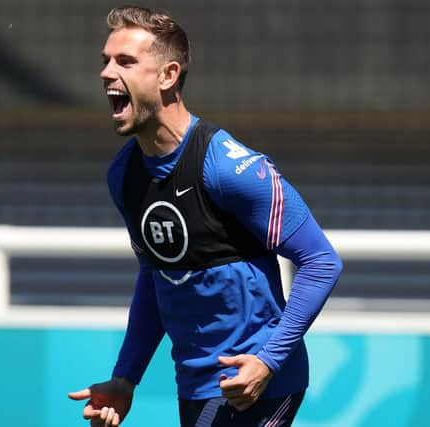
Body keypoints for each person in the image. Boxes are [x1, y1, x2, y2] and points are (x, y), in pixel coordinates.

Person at [68, 6, 343, 427]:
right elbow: (157, 276)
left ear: (167, 75)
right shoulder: (124, 177)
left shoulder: (229, 168)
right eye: (105, 61)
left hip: (259, 386)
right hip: (195, 387)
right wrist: (126, 378)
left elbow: (321, 261)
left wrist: (268, 361)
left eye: (125, 62)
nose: (106, 73)